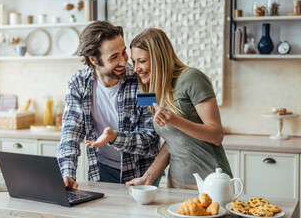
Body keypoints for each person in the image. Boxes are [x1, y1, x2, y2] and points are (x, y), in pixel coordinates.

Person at [89, 28, 232, 189]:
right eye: (134, 62)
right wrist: (147, 178)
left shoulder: (192, 78)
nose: (136, 69)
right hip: (176, 182)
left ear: (159, 58)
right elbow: (170, 141)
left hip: (210, 180)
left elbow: (216, 135)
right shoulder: (150, 89)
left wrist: (175, 120)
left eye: (142, 61)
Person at [56, 21, 160, 190]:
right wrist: (67, 172)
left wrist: (114, 137)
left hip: (142, 173)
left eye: (123, 52)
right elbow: (70, 133)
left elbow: (150, 138)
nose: (124, 61)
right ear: (94, 60)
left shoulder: (141, 80)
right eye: (114, 57)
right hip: (102, 170)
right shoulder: (78, 84)